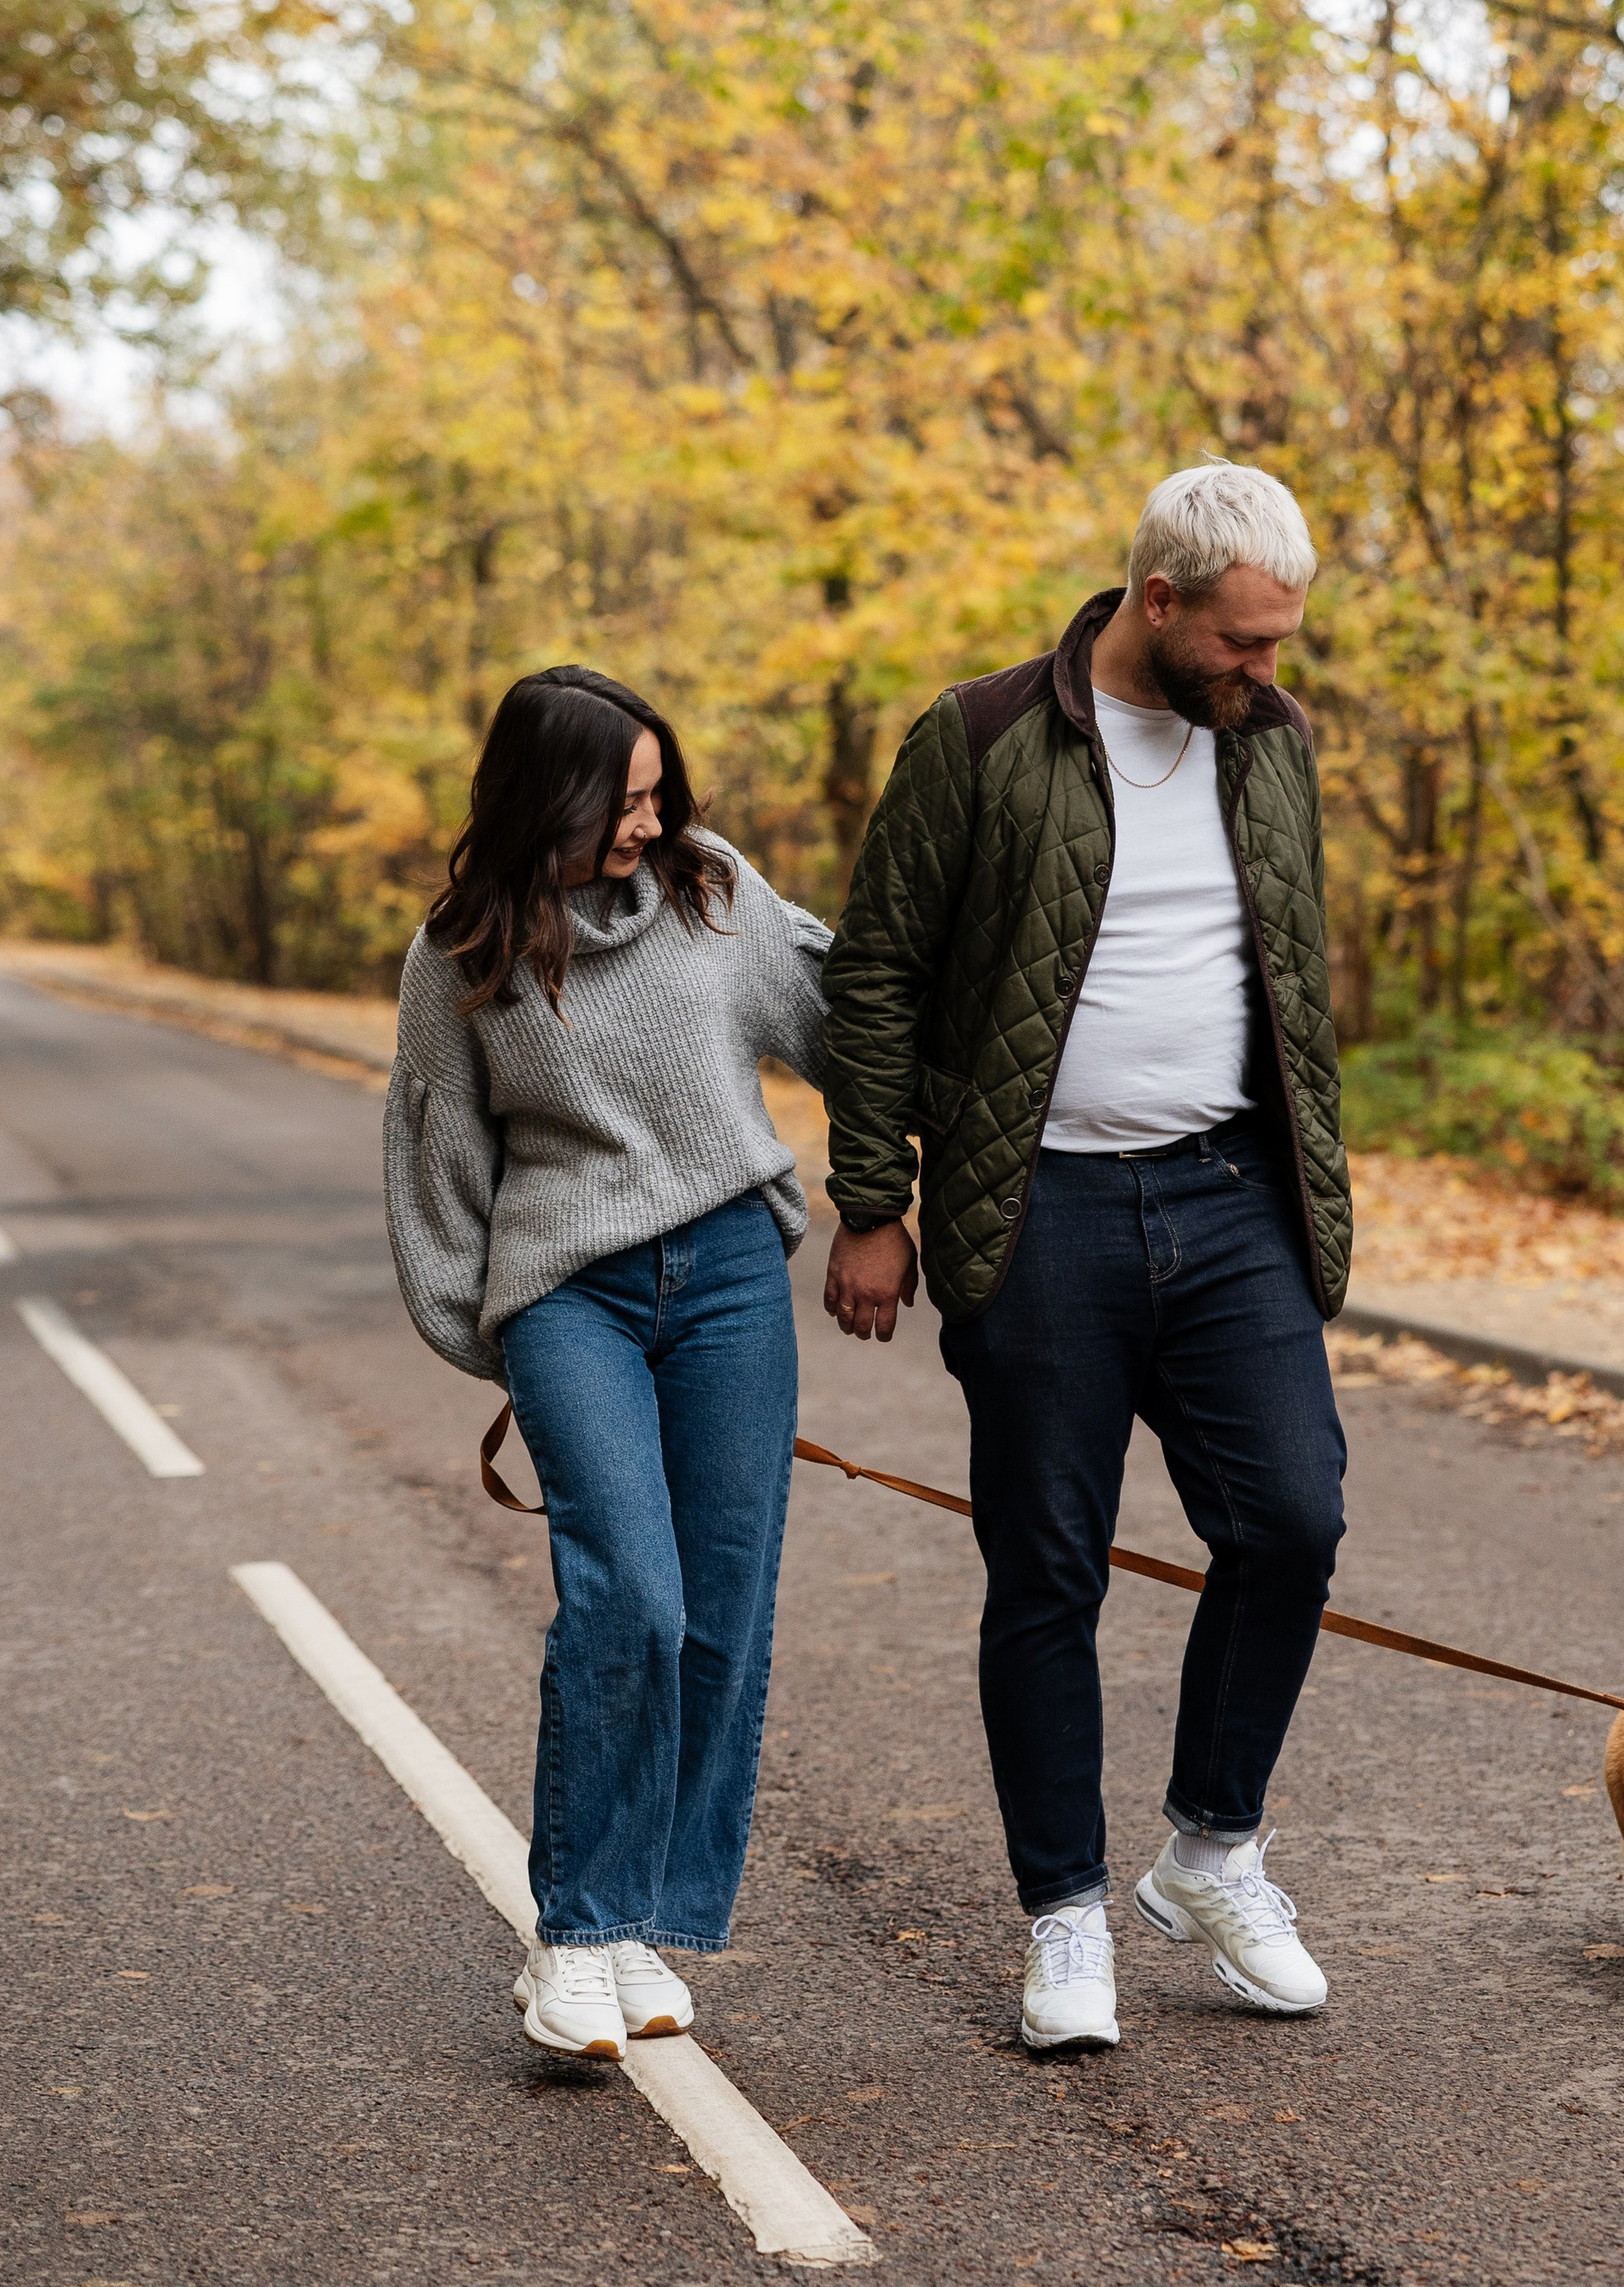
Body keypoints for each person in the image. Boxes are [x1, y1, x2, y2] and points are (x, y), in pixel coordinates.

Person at [819, 464, 1352, 2053]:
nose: (1270, 670)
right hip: (1033, 1207)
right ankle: (1062, 1922)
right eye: (1247, 641)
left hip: (1227, 1197)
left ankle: (1209, 1850)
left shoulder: (1272, 745)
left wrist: (1306, 1173)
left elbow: (1288, 968)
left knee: (1292, 1519)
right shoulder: (978, 738)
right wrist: (870, 1197)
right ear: (1160, 600)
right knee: (1044, 1572)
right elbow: (877, 975)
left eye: (1283, 642)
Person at [382, 665, 829, 2061]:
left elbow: (851, 1018)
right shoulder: (462, 952)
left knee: (721, 1605)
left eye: (658, 792)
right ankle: (576, 1931)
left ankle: (647, 1918)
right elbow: (435, 1166)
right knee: (626, 1592)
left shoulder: (715, 896)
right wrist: (497, 1331)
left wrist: (893, 1187)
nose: (650, 822)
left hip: (734, 1284)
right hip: (568, 1297)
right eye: (621, 801)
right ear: (545, 799)